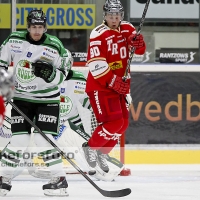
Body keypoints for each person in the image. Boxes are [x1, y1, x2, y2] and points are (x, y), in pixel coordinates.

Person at [0, 10, 70, 196]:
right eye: (33, 27)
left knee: (42, 138)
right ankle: (4, 179)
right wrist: (3, 85)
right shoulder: (14, 40)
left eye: (40, 27)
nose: (37, 31)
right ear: (28, 27)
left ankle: (59, 180)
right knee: (19, 140)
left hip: (48, 100)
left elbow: (63, 76)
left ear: (45, 27)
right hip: (22, 99)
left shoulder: (55, 46)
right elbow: (1, 64)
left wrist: (51, 75)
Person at [82, 0, 146, 173]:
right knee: (113, 122)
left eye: (117, 15)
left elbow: (139, 51)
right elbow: (95, 64)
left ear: (121, 15)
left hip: (120, 87)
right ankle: (90, 147)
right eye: (111, 15)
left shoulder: (128, 28)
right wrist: (113, 82)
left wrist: (139, 42)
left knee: (123, 124)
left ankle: (103, 153)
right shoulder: (98, 33)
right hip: (101, 86)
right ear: (105, 15)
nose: (114, 18)